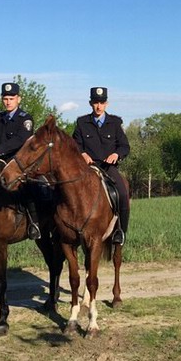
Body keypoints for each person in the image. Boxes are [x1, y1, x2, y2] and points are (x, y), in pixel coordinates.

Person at [72, 86, 130, 245]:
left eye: (102, 102)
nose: (98, 106)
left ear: (107, 104)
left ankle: (120, 232)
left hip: (107, 167)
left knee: (123, 195)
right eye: (96, 102)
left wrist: (116, 154)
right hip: (87, 168)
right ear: (90, 103)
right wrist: (82, 154)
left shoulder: (115, 123)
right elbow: (75, 145)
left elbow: (125, 146)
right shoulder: (82, 123)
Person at [0, 82, 41, 240]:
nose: (8, 101)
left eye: (12, 98)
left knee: (28, 187)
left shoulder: (25, 119)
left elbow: (20, 140)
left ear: (19, 99)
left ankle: (34, 223)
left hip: (18, 162)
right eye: (5, 98)